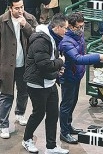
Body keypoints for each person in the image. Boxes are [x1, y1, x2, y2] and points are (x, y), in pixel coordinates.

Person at [59, 12, 103, 144]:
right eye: (78, 27)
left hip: (76, 75)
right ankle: (64, 132)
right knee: (66, 105)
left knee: (72, 102)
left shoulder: (78, 36)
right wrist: (97, 57)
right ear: (70, 26)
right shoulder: (66, 42)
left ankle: (68, 126)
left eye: (82, 26)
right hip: (69, 77)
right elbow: (77, 58)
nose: (81, 29)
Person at [22, 13, 69, 154]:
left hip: (49, 82)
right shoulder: (40, 40)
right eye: (65, 28)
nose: (66, 31)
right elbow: (44, 65)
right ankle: (27, 139)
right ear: (57, 27)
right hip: (37, 84)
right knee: (38, 114)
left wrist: (56, 72)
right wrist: (60, 62)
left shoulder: (52, 38)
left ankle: (51, 147)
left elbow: (49, 64)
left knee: (53, 114)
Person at [0, 0, 38, 139]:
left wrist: (25, 26)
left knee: (23, 91)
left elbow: (36, 38)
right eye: (17, 8)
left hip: (24, 64)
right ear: (10, 8)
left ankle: (20, 113)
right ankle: (3, 125)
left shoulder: (29, 19)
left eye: (22, 7)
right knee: (6, 95)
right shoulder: (2, 21)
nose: (20, 10)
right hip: (7, 66)